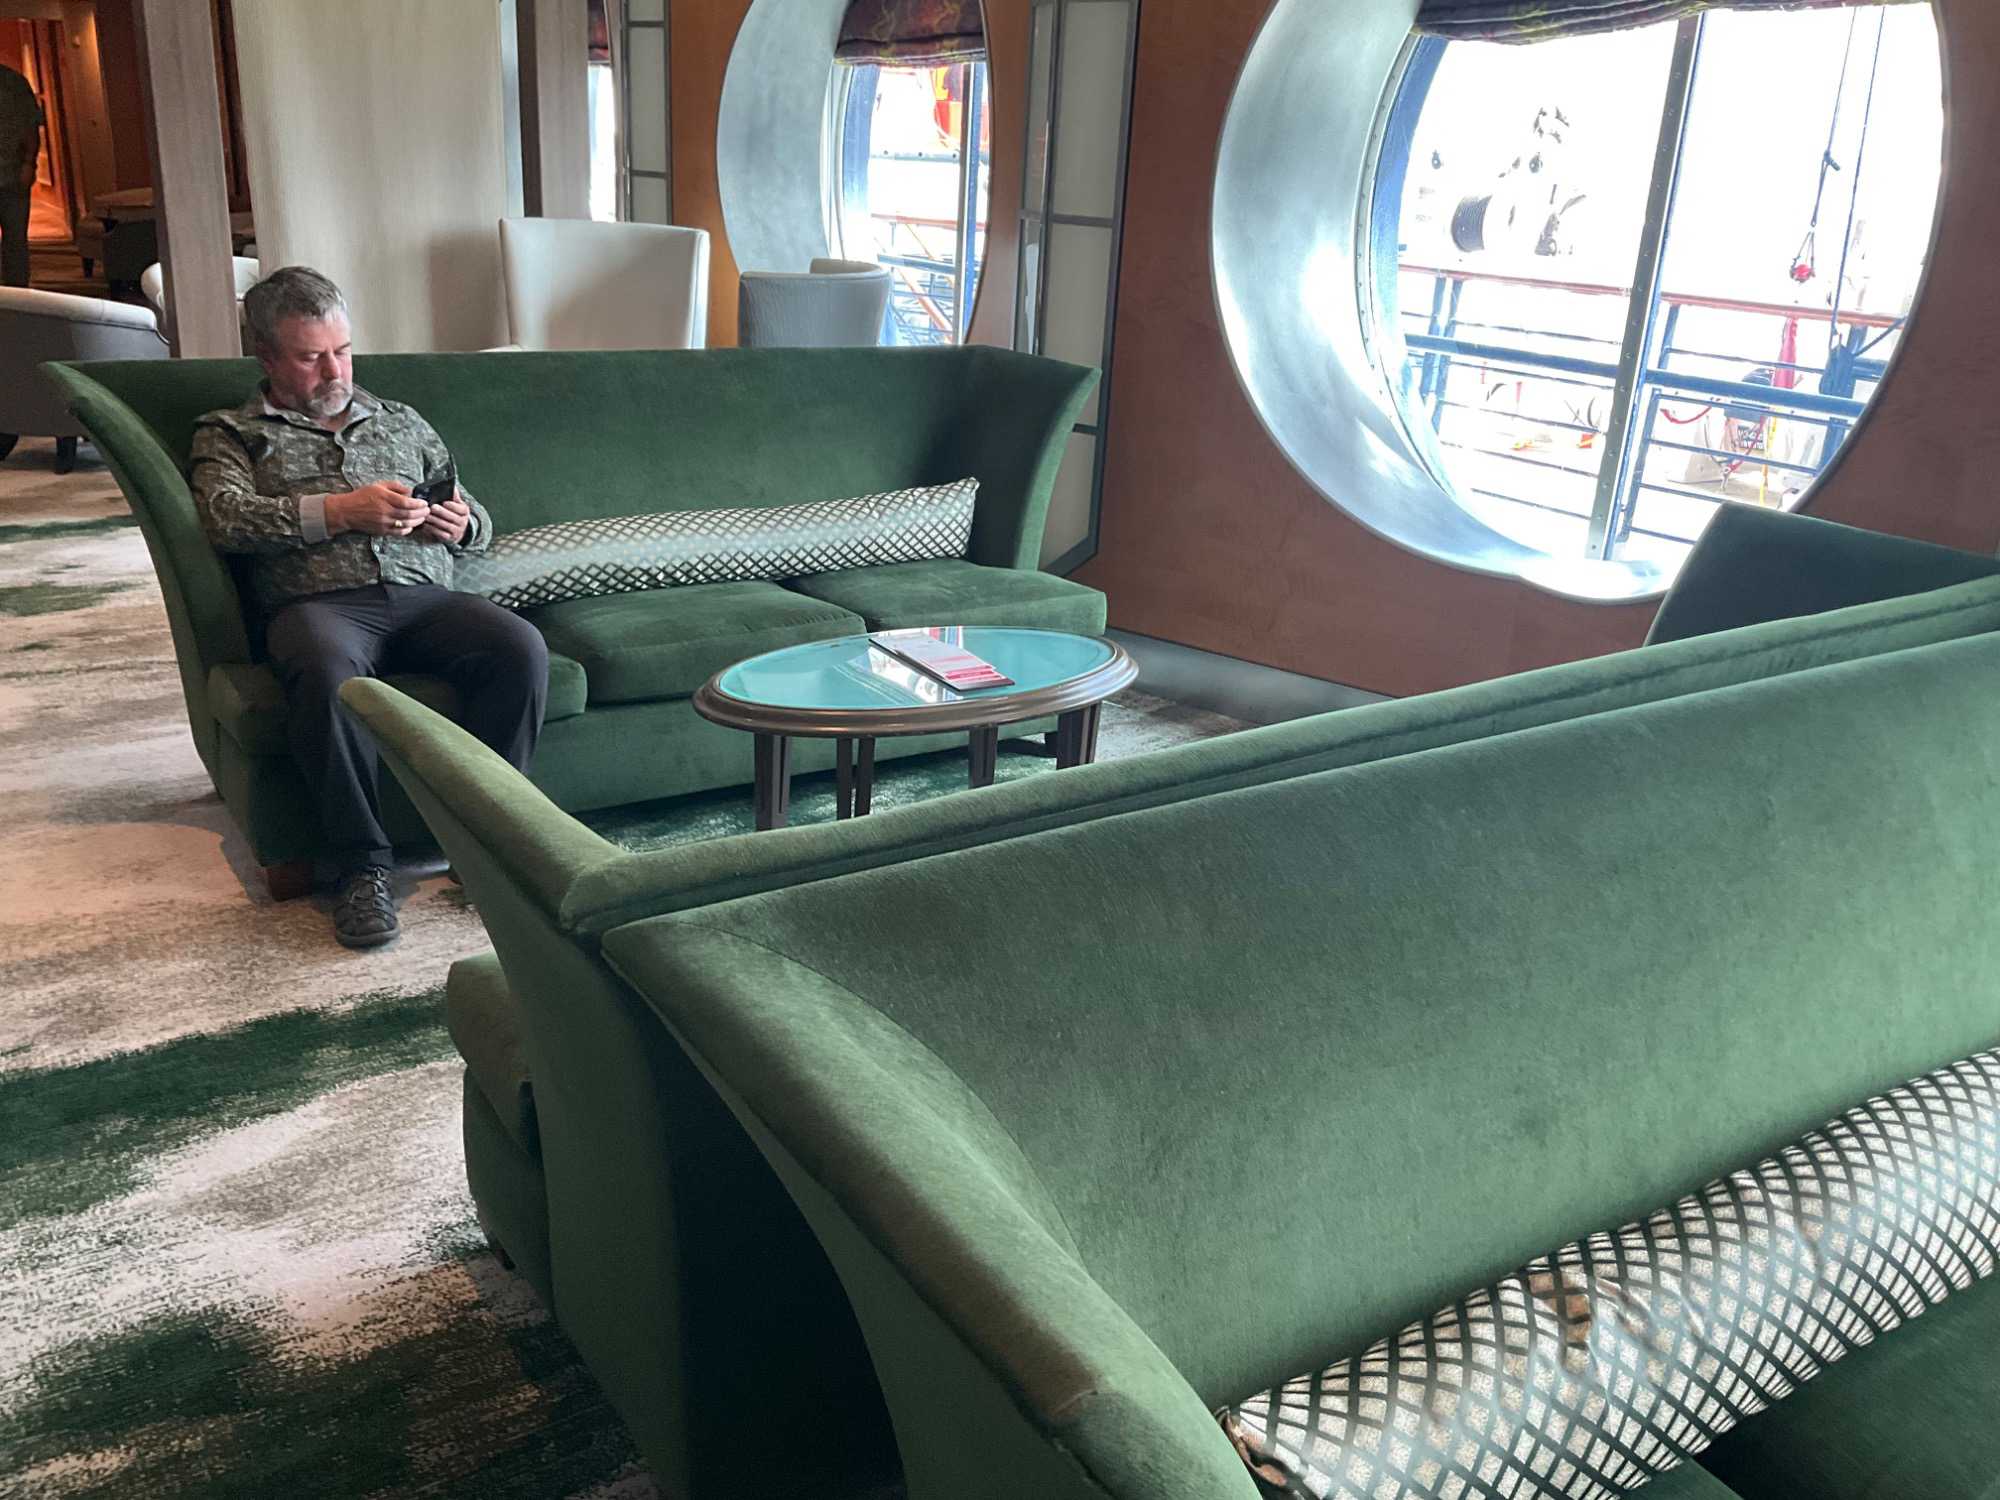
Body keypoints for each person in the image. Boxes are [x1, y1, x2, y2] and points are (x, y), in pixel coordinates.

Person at [191, 266, 547, 949]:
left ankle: (489, 842)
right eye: (311, 357)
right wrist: (338, 511)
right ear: (266, 357)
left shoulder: (400, 420)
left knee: (520, 648)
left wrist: (461, 524)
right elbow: (225, 518)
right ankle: (362, 867)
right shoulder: (232, 432)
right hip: (318, 605)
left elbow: (475, 513)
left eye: (343, 350)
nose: (335, 370)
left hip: (426, 597)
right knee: (328, 672)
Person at [0, 62, 42, 287]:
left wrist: (29, 163)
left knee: (15, 240)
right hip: (13, 172)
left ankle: (18, 293)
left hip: (12, 174)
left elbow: (30, 126)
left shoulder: (13, 82)